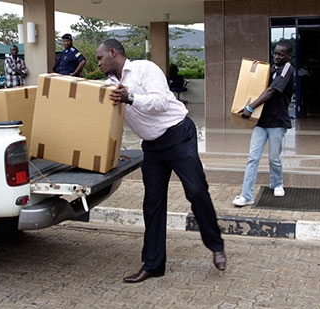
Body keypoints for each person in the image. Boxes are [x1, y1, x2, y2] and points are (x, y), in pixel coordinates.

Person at [95, 38, 226, 283]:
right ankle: (153, 264)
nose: (99, 63)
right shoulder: (110, 85)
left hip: (178, 135)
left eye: (101, 58)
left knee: (196, 191)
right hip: (152, 147)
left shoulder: (145, 69)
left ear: (113, 52)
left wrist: (130, 97)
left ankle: (216, 245)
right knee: (152, 203)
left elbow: (161, 102)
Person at [232, 42, 295, 207]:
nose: (277, 57)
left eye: (281, 54)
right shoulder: (270, 69)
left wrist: (250, 107)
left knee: (274, 158)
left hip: (277, 122)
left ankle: (277, 183)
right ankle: (246, 195)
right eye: (275, 53)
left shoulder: (287, 69)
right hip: (261, 122)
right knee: (253, 158)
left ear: (289, 56)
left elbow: (271, 91)